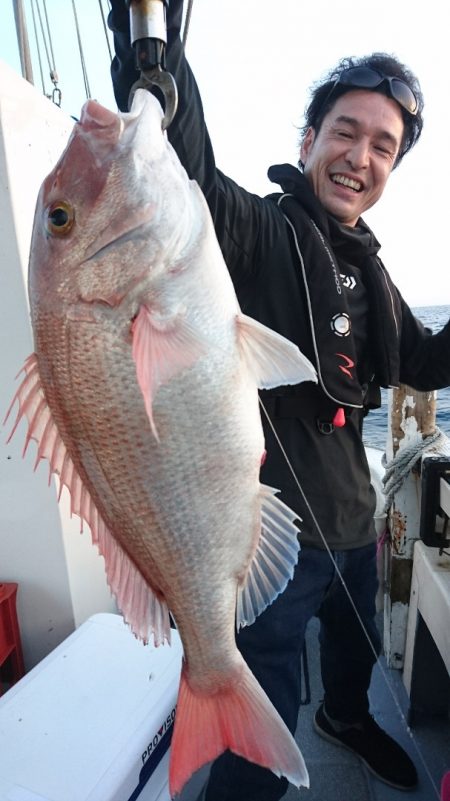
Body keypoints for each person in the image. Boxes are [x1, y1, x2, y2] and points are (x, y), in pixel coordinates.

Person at [108, 3, 450, 799]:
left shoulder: (370, 268)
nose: (359, 156)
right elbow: (186, 161)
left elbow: (425, 361)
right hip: (274, 531)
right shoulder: (258, 232)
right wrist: (150, 47)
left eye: (382, 146)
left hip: (356, 516)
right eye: (345, 131)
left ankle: (347, 716)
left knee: (355, 648)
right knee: (262, 689)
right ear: (308, 141)